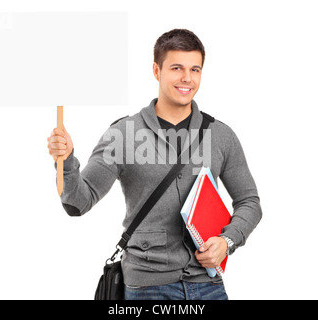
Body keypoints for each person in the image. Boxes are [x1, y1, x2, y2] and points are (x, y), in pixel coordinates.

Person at [47, 29, 262, 300]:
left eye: (195, 69)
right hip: (148, 290)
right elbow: (78, 202)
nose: (187, 78)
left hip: (209, 285)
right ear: (156, 70)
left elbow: (250, 201)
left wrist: (226, 241)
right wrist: (66, 161)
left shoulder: (221, 135)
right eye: (176, 68)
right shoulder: (123, 134)